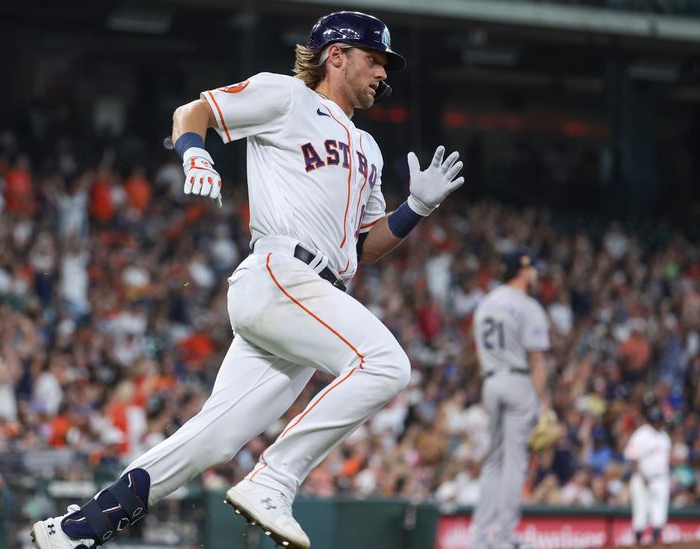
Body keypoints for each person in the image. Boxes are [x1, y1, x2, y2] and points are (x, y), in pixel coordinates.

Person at [31, 10, 465, 549]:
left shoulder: (370, 148)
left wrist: (416, 209)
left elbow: (366, 247)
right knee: (386, 364)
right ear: (336, 55)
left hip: (313, 297)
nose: (383, 72)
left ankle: (77, 529)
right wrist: (195, 155)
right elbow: (195, 112)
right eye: (374, 59)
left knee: (214, 438)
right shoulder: (286, 96)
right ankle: (274, 479)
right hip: (282, 273)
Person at [470, 247, 551, 549]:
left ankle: (479, 539)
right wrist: (544, 404)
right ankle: (504, 538)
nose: (536, 274)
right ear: (524, 269)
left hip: (491, 380)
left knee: (494, 461)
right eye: (533, 269)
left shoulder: (486, 303)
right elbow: (538, 362)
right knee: (515, 461)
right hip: (518, 381)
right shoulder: (528, 307)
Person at [624, 406, 671, 545]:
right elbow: (632, 457)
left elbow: (666, 459)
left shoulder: (664, 437)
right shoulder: (641, 434)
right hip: (642, 479)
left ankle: (655, 541)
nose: (659, 423)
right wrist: (641, 475)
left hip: (661, 478)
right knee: (641, 511)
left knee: (660, 510)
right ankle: (638, 542)